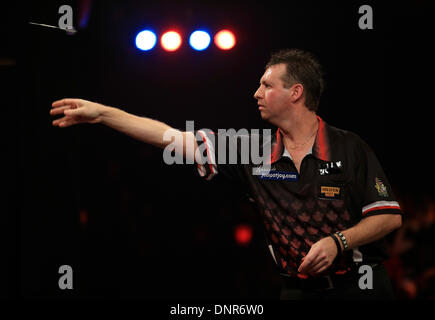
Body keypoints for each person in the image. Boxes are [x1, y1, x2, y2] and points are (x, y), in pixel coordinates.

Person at [50, 48, 403, 300]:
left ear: (296, 93)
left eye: (266, 85)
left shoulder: (349, 147)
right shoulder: (251, 150)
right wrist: (102, 115)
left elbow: (388, 217)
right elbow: (173, 138)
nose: (256, 93)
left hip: (360, 287)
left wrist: (338, 241)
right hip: (297, 290)